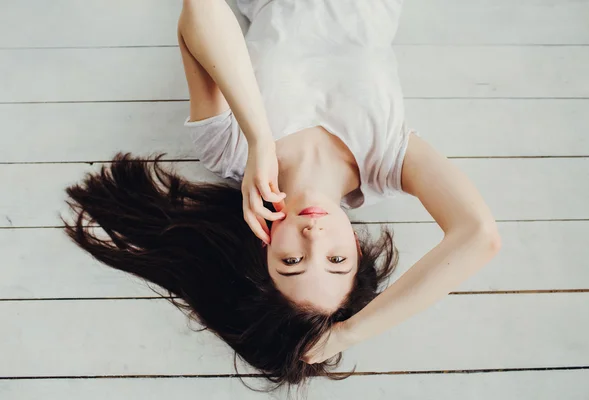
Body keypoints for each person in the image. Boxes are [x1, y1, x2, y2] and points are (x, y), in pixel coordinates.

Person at [64, 0, 501, 389]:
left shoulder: (229, 151)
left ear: (264, 245)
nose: (314, 236)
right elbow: (480, 236)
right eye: (336, 261)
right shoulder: (386, 161)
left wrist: (258, 139)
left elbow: (201, 9)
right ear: (357, 247)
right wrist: (349, 332)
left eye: (291, 262)